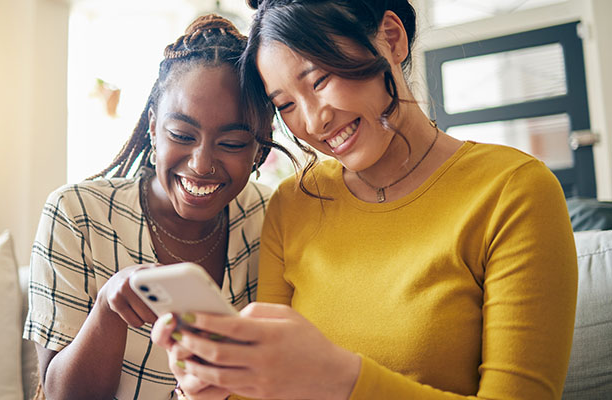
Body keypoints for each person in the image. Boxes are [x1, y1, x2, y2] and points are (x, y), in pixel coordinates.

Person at [151, 1, 578, 399]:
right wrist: (213, 390)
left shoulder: (512, 191)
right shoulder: (294, 202)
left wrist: (340, 376)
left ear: (391, 39)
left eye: (320, 79)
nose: (314, 121)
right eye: (285, 105)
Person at [23, 14, 289, 399]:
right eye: (182, 134)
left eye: (231, 143)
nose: (201, 164)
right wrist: (107, 309)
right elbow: (61, 394)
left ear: (260, 148)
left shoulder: (269, 217)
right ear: (152, 127)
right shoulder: (76, 213)